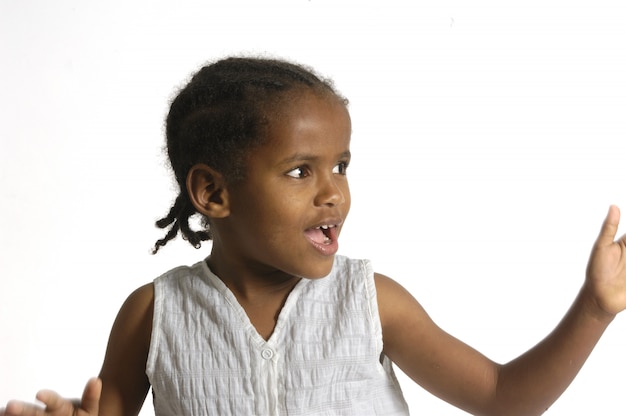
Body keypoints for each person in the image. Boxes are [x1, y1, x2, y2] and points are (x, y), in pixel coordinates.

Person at [2, 56, 625, 416]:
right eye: (301, 170)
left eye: (341, 166)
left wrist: (595, 309)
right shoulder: (155, 315)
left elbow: (501, 398)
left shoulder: (371, 301)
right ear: (213, 193)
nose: (333, 192)